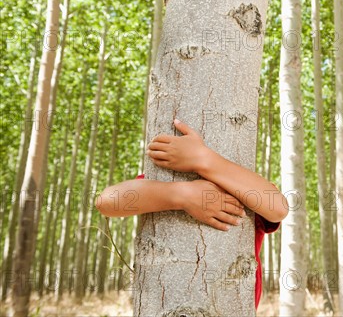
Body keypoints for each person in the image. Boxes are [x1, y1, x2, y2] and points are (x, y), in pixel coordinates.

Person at [95, 119, 288, 308]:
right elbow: (107, 201)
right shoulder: (161, 180)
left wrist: (203, 159)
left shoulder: (248, 188)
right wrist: (182, 194)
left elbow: (278, 208)